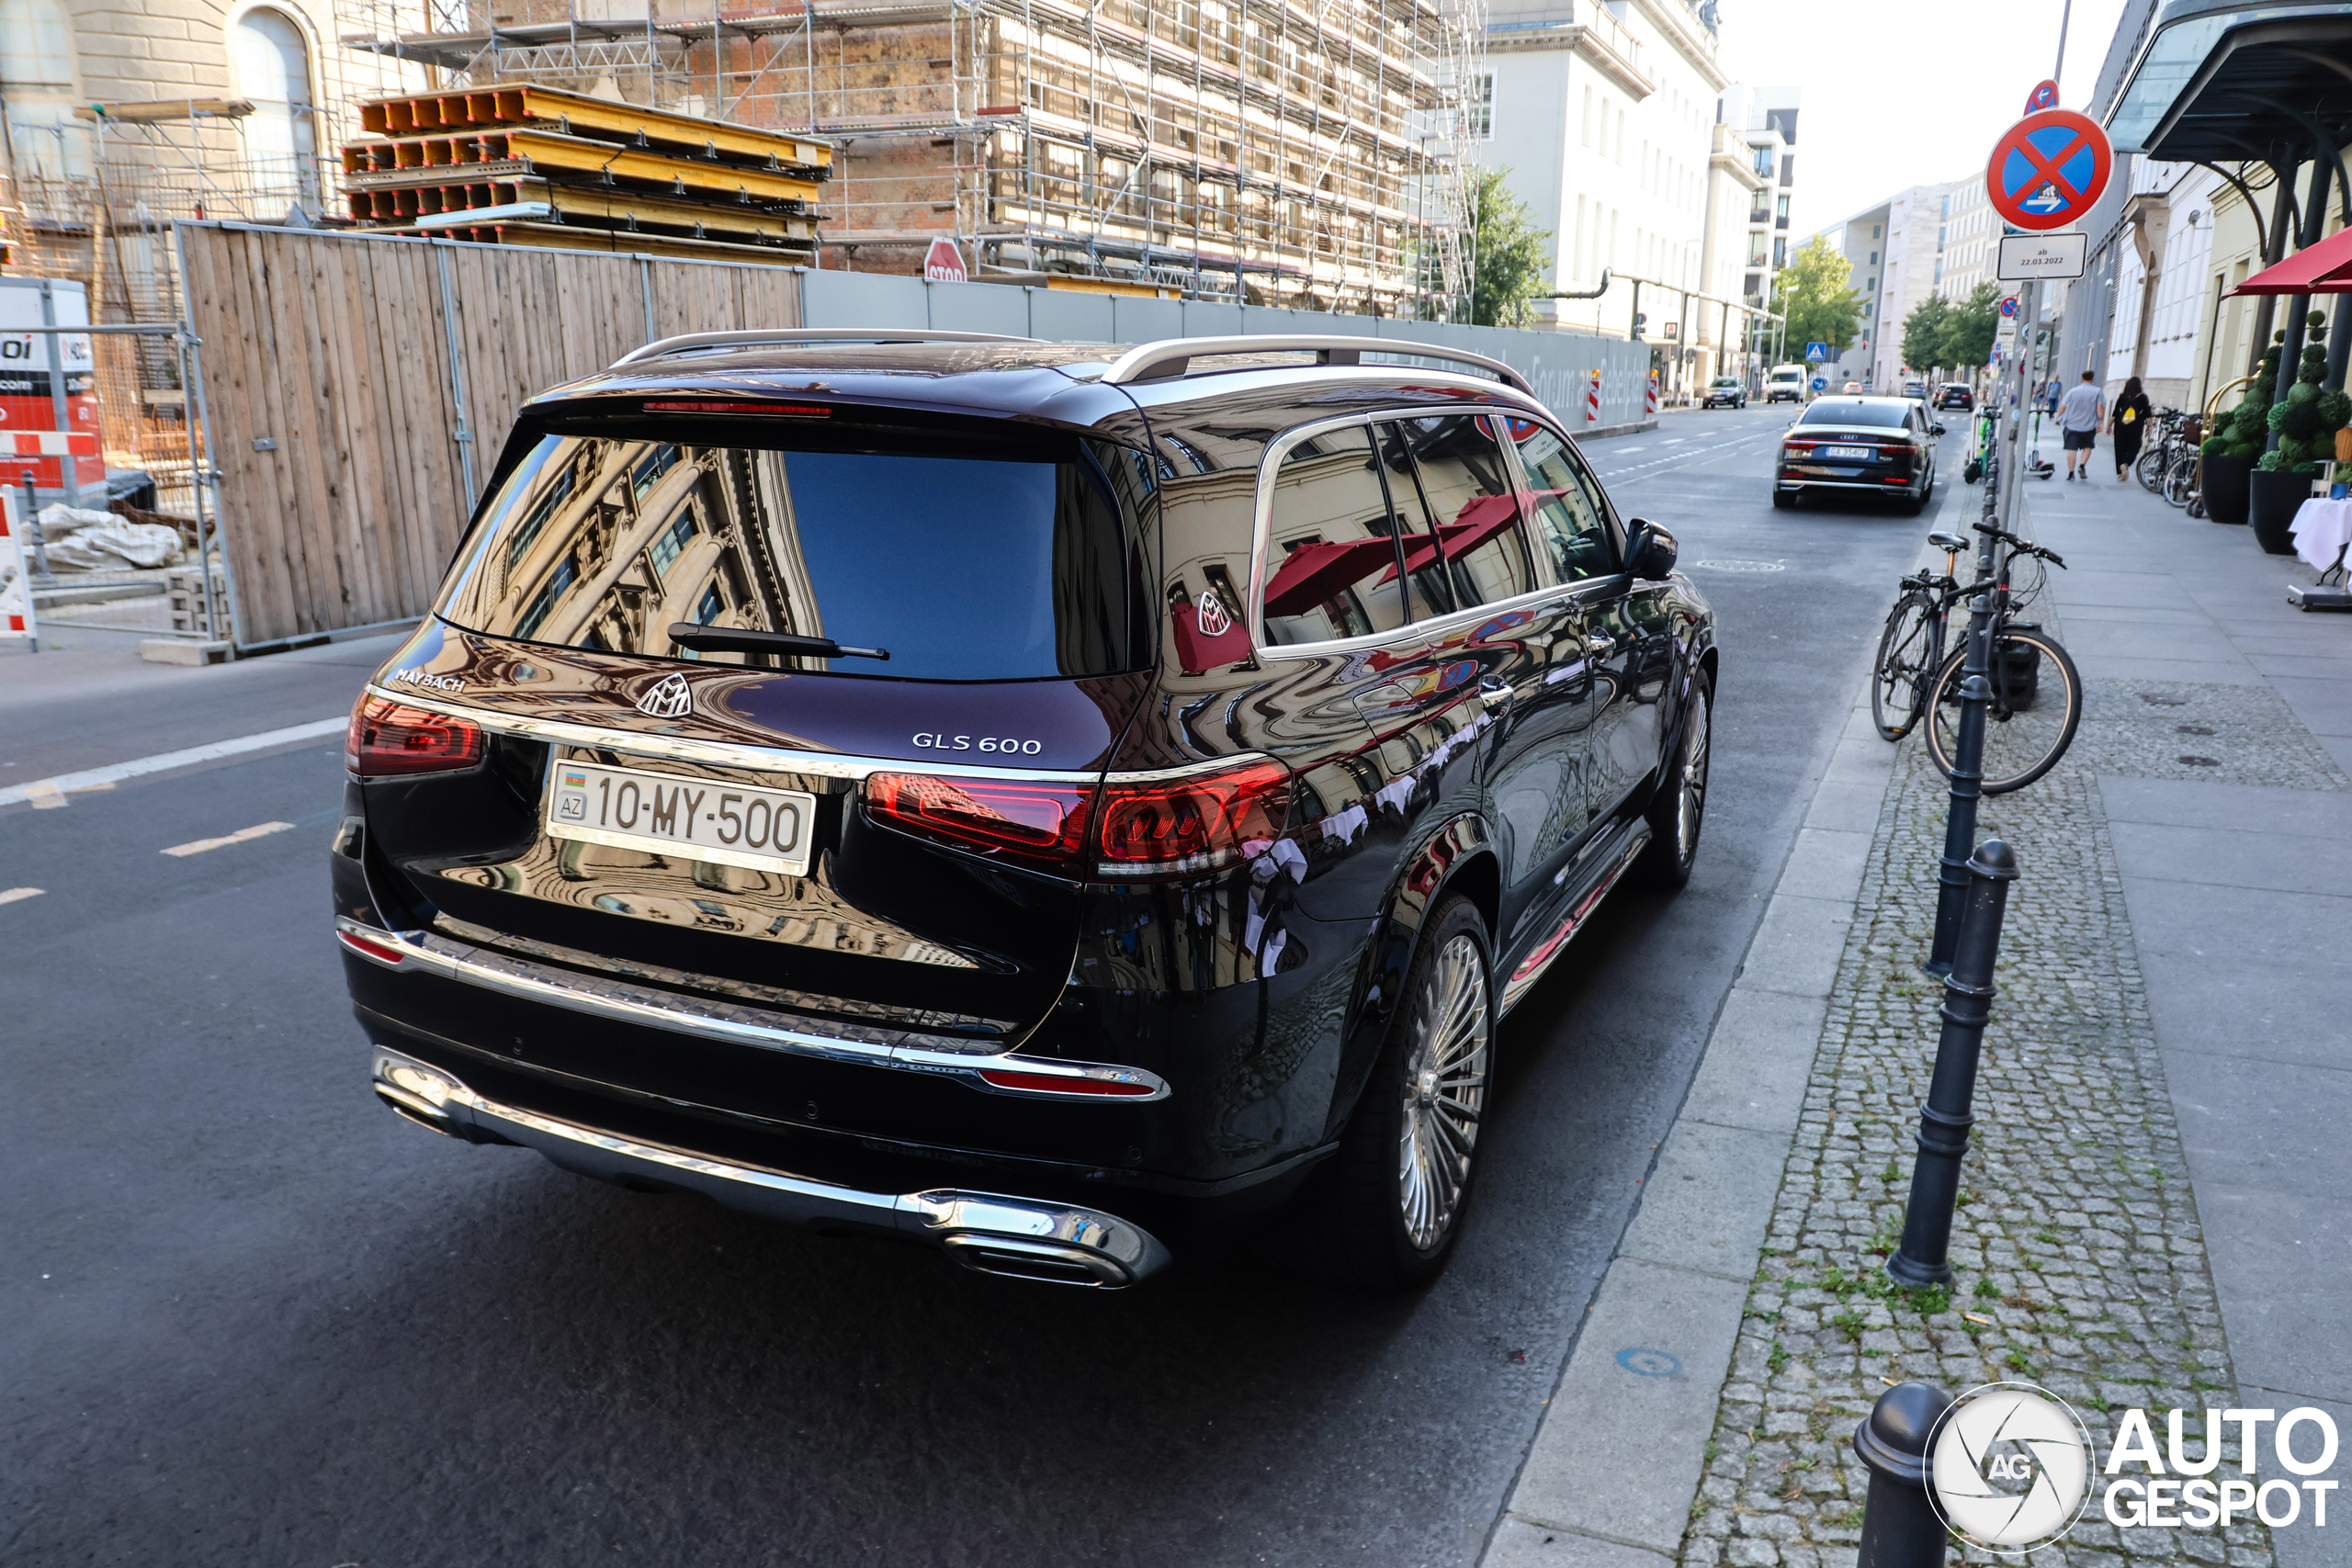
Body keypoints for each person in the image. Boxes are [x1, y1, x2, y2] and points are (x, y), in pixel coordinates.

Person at [2056, 369, 2105, 480]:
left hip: (2072, 424)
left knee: (2072, 449)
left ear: (2082, 379)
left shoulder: (2073, 391)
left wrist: (2058, 418)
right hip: (2089, 424)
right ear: (2093, 379)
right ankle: (2082, 465)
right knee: (2088, 446)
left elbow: (2063, 406)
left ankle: (2071, 473)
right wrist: (2101, 421)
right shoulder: (2098, 391)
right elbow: (2100, 407)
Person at [2110, 376, 2153, 480]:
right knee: (2135, 447)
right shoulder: (2143, 397)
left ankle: (2121, 471)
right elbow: (2148, 414)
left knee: (2120, 448)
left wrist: (2109, 426)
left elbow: (2115, 413)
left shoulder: (2122, 396)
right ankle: (2126, 464)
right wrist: (2149, 426)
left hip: (2120, 426)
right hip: (2136, 426)